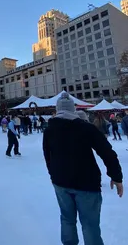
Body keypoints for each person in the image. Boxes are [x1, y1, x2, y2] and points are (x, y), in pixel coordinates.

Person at [43, 92, 123, 245]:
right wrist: (116, 176)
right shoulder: (86, 128)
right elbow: (107, 152)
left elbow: (48, 156)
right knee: (90, 225)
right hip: (86, 183)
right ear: (73, 109)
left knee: (67, 219)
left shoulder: (50, 130)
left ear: (58, 109)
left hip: (61, 183)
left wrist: (54, 175)